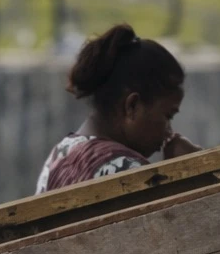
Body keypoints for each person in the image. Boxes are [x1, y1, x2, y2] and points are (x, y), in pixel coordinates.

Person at [36, 24, 201, 193]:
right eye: (168, 116)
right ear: (132, 106)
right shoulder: (126, 169)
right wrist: (196, 169)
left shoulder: (58, 155)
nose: (169, 132)